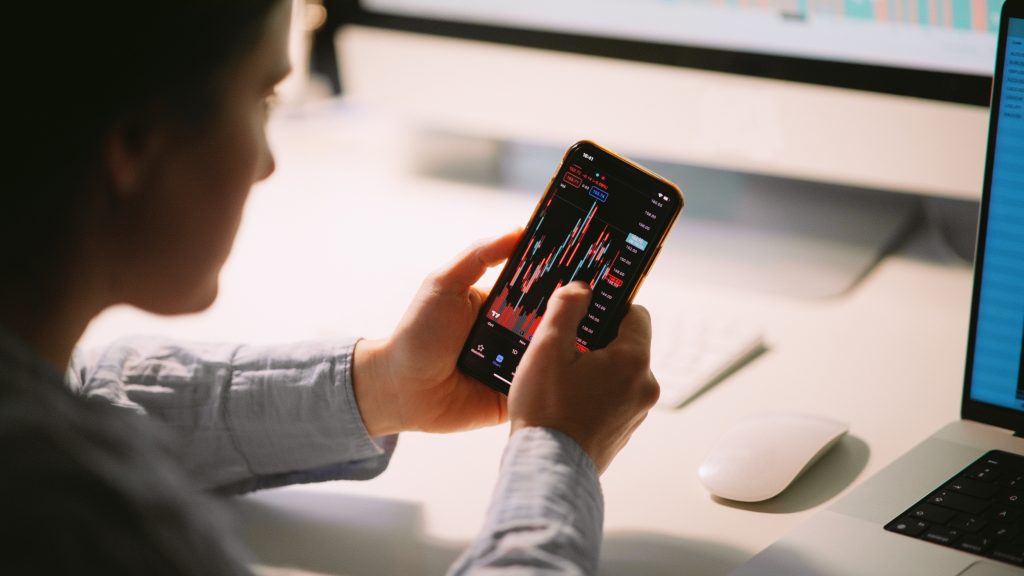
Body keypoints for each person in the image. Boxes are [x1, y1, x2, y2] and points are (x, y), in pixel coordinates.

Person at [1, 1, 659, 574]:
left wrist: (384, 382)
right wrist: (557, 452)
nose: (267, 163)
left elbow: (92, 399)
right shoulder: (84, 528)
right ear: (138, 142)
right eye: (263, 101)